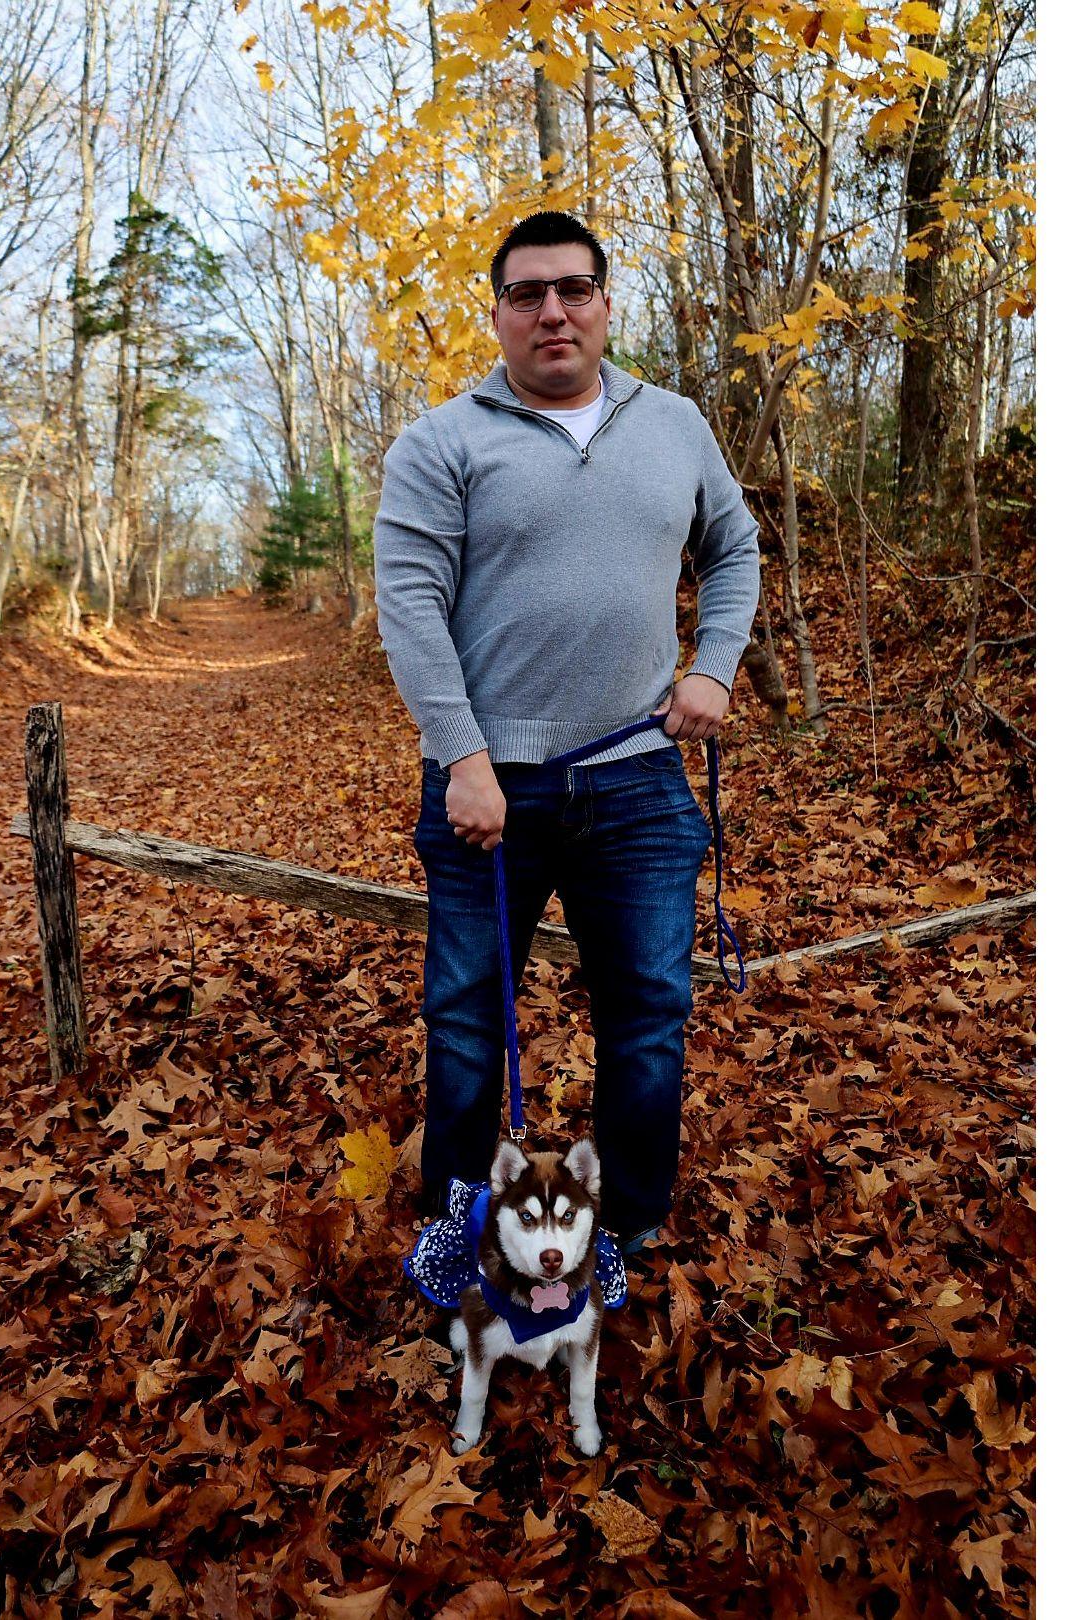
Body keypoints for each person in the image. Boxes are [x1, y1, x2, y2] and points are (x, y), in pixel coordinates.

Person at [372, 210, 761, 1253]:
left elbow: (735, 549)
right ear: (499, 313)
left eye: (573, 289)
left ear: (604, 302)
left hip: (639, 781)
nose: (553, 311)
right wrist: (464, 757)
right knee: (466, 1023)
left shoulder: (675, 425)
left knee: (647, 1017)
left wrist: (714, 667)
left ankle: (627, 1228)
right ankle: (461, 1231)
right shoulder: (441, 442)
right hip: (488, 789)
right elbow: (409, 606)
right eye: (527, 293)